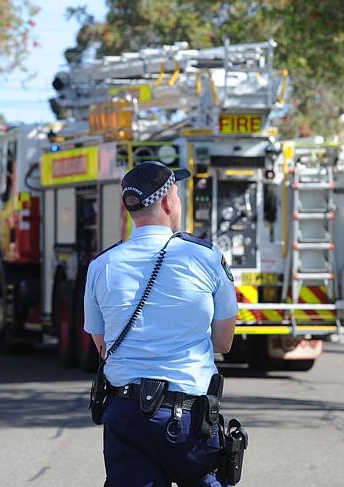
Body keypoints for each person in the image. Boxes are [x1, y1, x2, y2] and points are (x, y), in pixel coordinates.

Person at [84, 161, 239, 486]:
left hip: (126, 416)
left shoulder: (100, 266)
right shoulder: (206, 257)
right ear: (169, 201)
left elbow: (102, 345)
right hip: (188, 420)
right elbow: (223, 342)